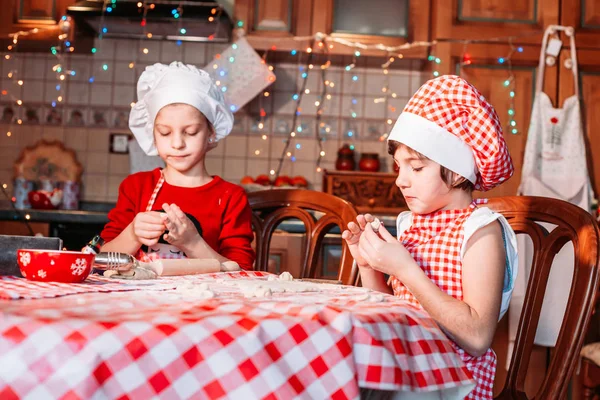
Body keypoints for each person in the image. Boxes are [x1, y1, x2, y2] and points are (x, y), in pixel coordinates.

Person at [342, 75, 518, 399]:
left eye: (416, 168)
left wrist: (405, 268)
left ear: (457, 170)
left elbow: (478, 337)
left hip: (452, 383)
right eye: (398, 167)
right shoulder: (413, 224)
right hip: (408, 371)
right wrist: (369, 265)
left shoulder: (480, 230)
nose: (401, 181)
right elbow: (394, 311)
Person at [100, 61, 255, 272]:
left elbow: (242, 271)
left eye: (190, 132)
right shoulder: (135, 187)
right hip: (140, 302)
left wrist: (192, 243)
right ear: (152, 133)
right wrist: (133, 234)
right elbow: (101, 260)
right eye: (165, 132)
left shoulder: (230, 197)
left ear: (211, 133)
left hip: (203, 302)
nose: (177, 143)